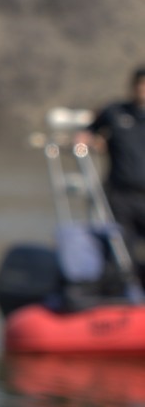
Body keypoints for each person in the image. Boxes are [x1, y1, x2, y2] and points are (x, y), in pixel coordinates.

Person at [79, 67, 145, 267]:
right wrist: (87, 141)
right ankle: (122, 280)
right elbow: (87, 133)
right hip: (121, 194)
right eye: (140, 84)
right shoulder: (115, 111)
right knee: (121, 249)